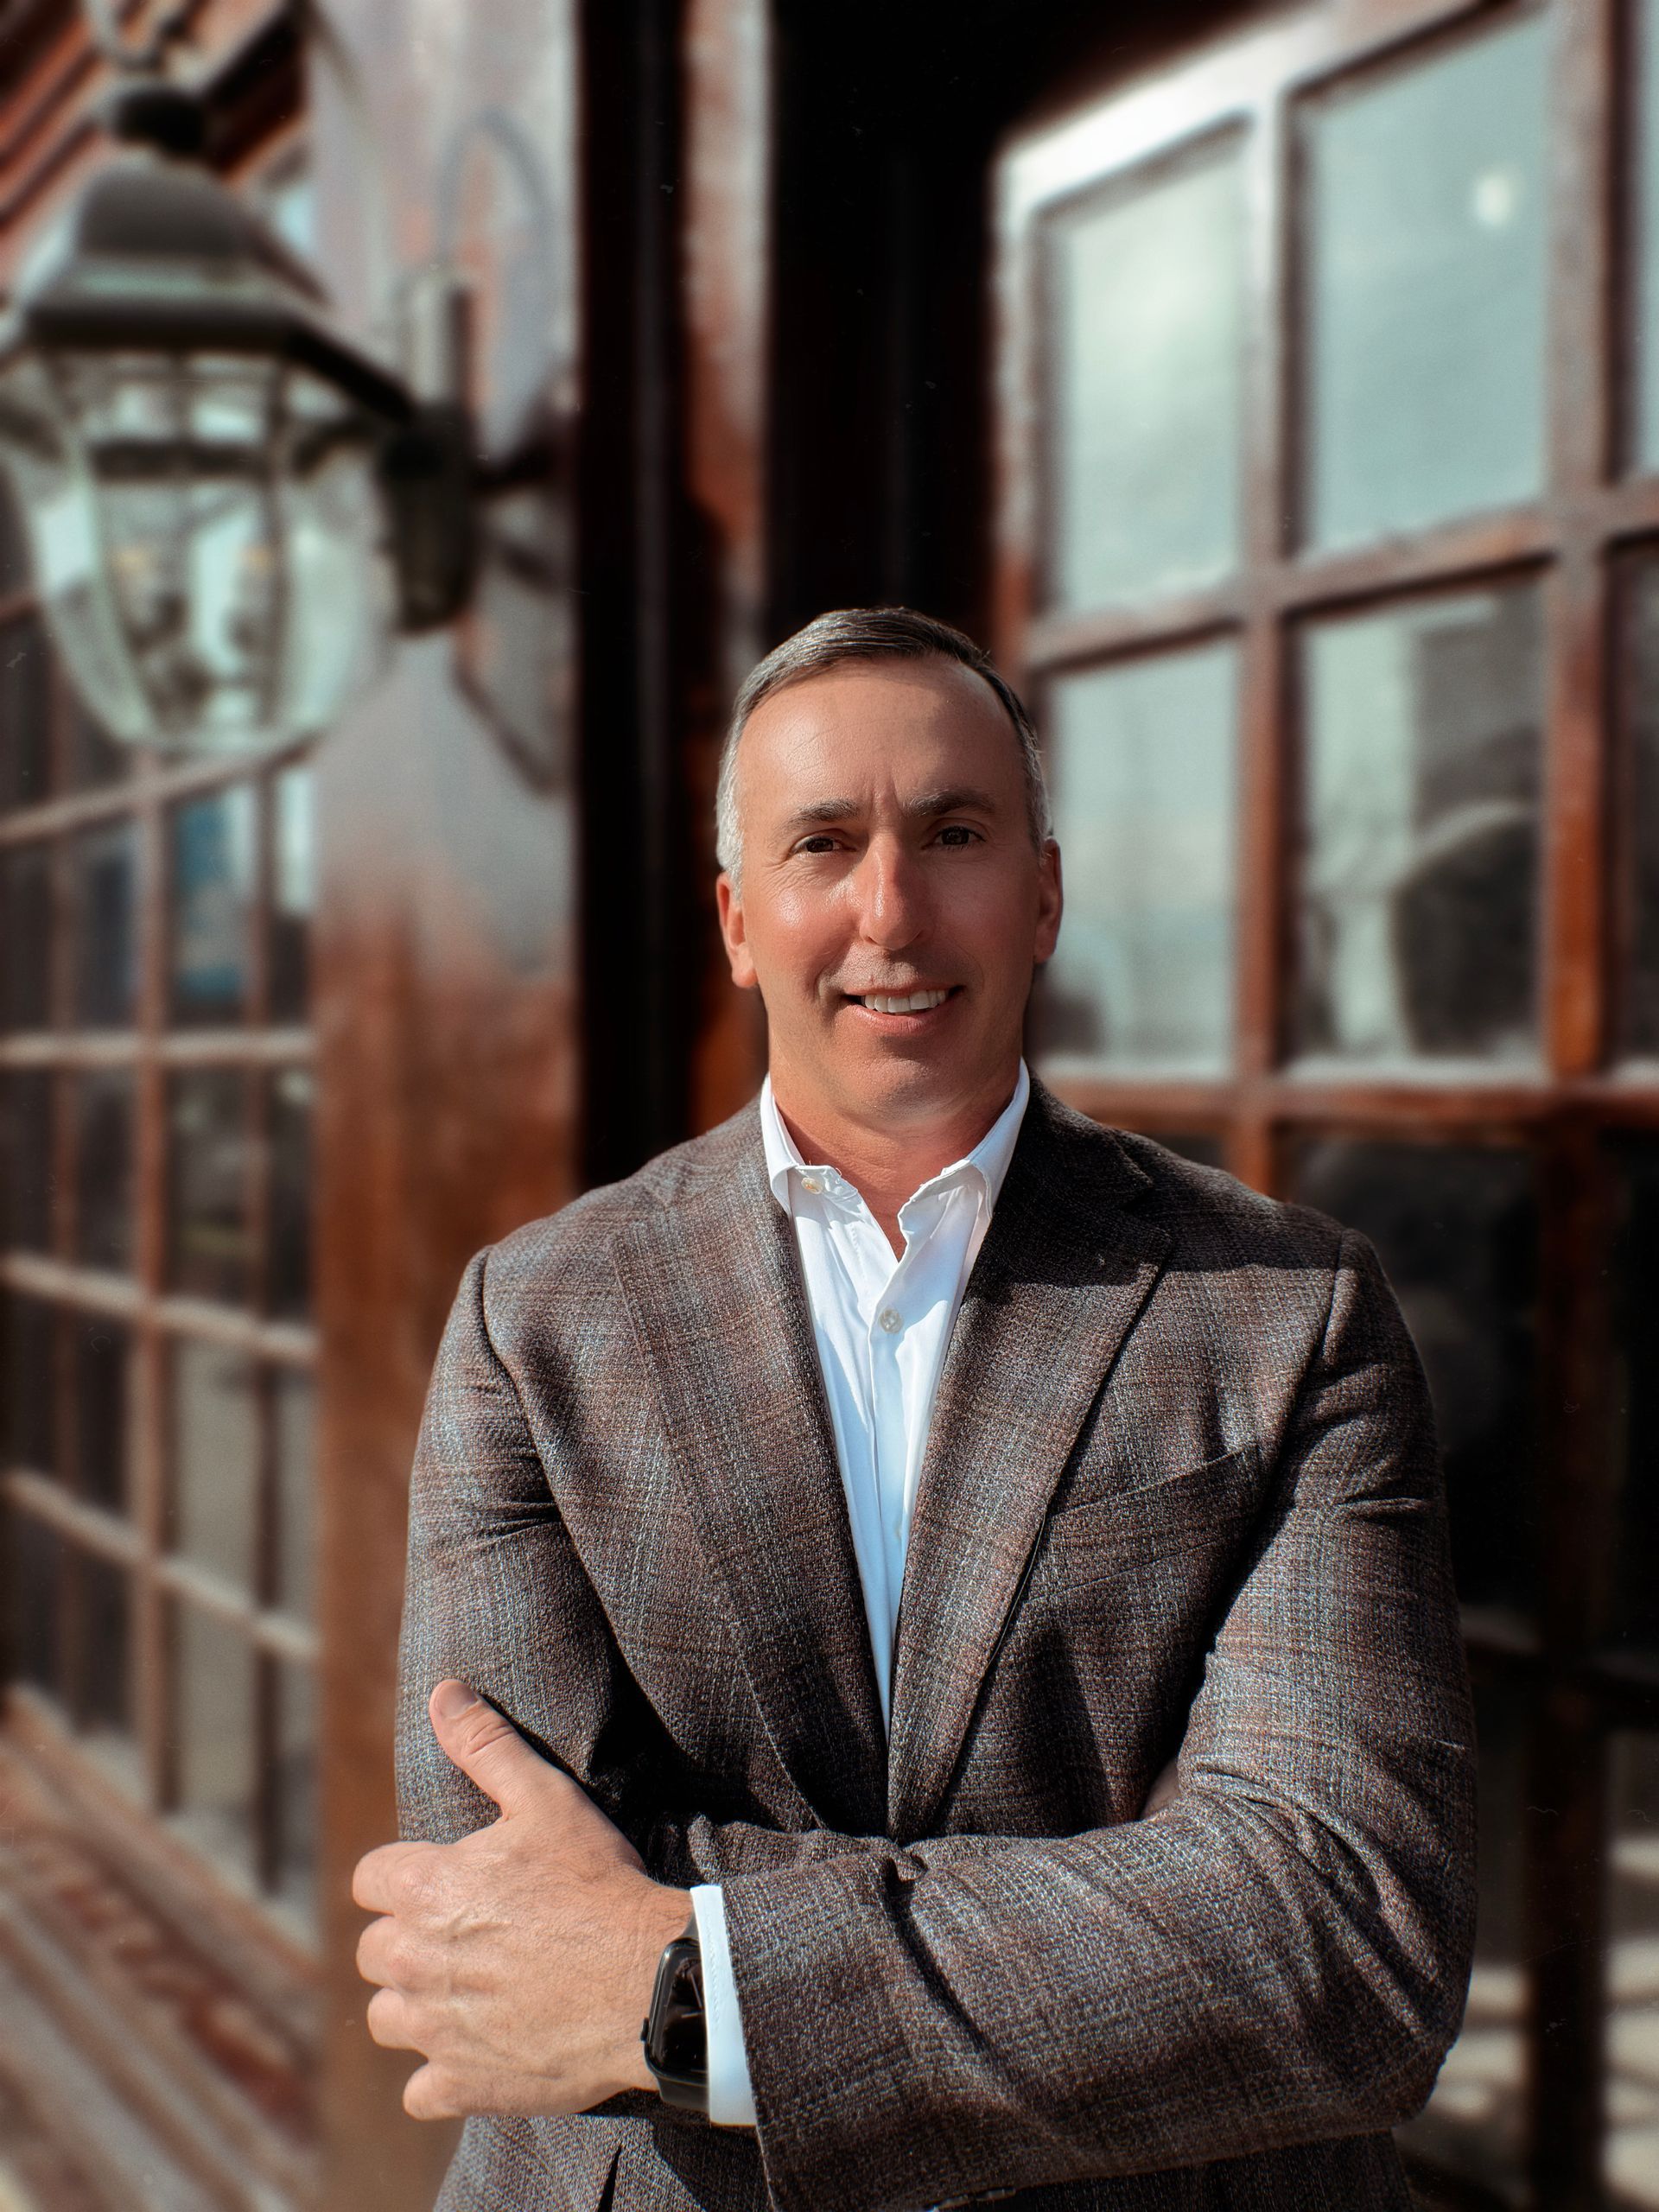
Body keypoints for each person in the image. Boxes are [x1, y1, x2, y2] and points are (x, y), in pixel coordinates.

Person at [353, 607, 1477, 2212]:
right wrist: (1128, 1911)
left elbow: (1345, 1939)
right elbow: (500, 1912)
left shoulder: (1293, 1312)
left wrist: (699, 1986)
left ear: (1043, 894)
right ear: (739, 919)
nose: (889, 910)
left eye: (951, 833)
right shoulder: (532, 1323)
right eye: (825, 844)